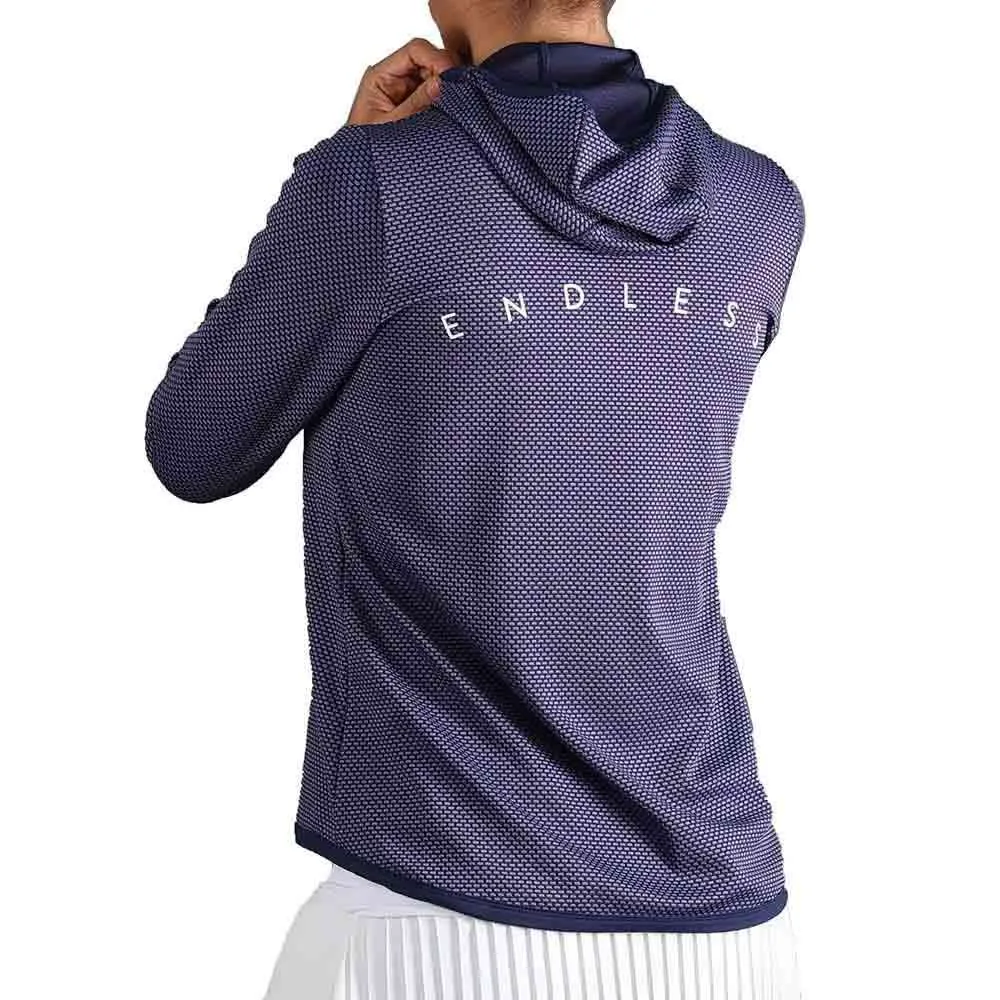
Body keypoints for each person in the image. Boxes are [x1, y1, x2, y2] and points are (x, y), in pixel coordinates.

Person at [145, 0, 807, 996]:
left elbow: (195, 444)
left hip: (435, 905)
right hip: (725, 925)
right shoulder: (759, 206)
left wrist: (351, 171)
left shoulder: (377, 185)